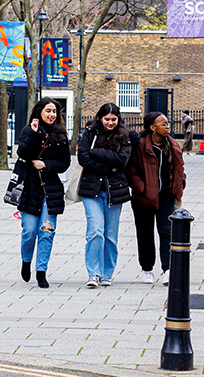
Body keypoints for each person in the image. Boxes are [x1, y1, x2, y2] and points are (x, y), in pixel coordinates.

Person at [15, 97, 71, 288]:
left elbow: (65, 163)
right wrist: (34, 133)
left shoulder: (61, 135)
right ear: (39, 112)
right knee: (29, 232)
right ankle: (26, 261)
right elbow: (22, 153)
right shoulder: (28, 131)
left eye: (54, 111)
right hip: (30, 189)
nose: (51, 114)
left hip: (50, 190)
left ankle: (41, 271)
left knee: (46, 232)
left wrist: (45, 164)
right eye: (48, 110)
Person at [127, 112, 186, 285]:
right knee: (145, 233)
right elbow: (131, 170)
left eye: (167, 123)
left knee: (166, 231)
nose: (167, 126)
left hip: (166, 195)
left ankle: (168, 269)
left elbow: (179, 168)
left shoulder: (172, 145)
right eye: (163, 124)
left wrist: (180, 183)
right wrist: (142, 188)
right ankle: (147, 269)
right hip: (143, 197)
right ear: (153, 127)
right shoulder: (139, 145)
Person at [77, 102, 132, 288]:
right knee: (95, 231)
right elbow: (83, 158)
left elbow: (122, 160)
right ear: (100, 118)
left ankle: (106, 274)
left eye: (113, 119)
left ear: (118, 119)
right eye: (107, 119)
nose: (110, 122)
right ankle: (93, 273)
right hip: (91, 190)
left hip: (115, 191)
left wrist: (96, 153)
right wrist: (109, 167)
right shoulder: (90, 133)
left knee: (110, 236)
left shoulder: (124, 136)